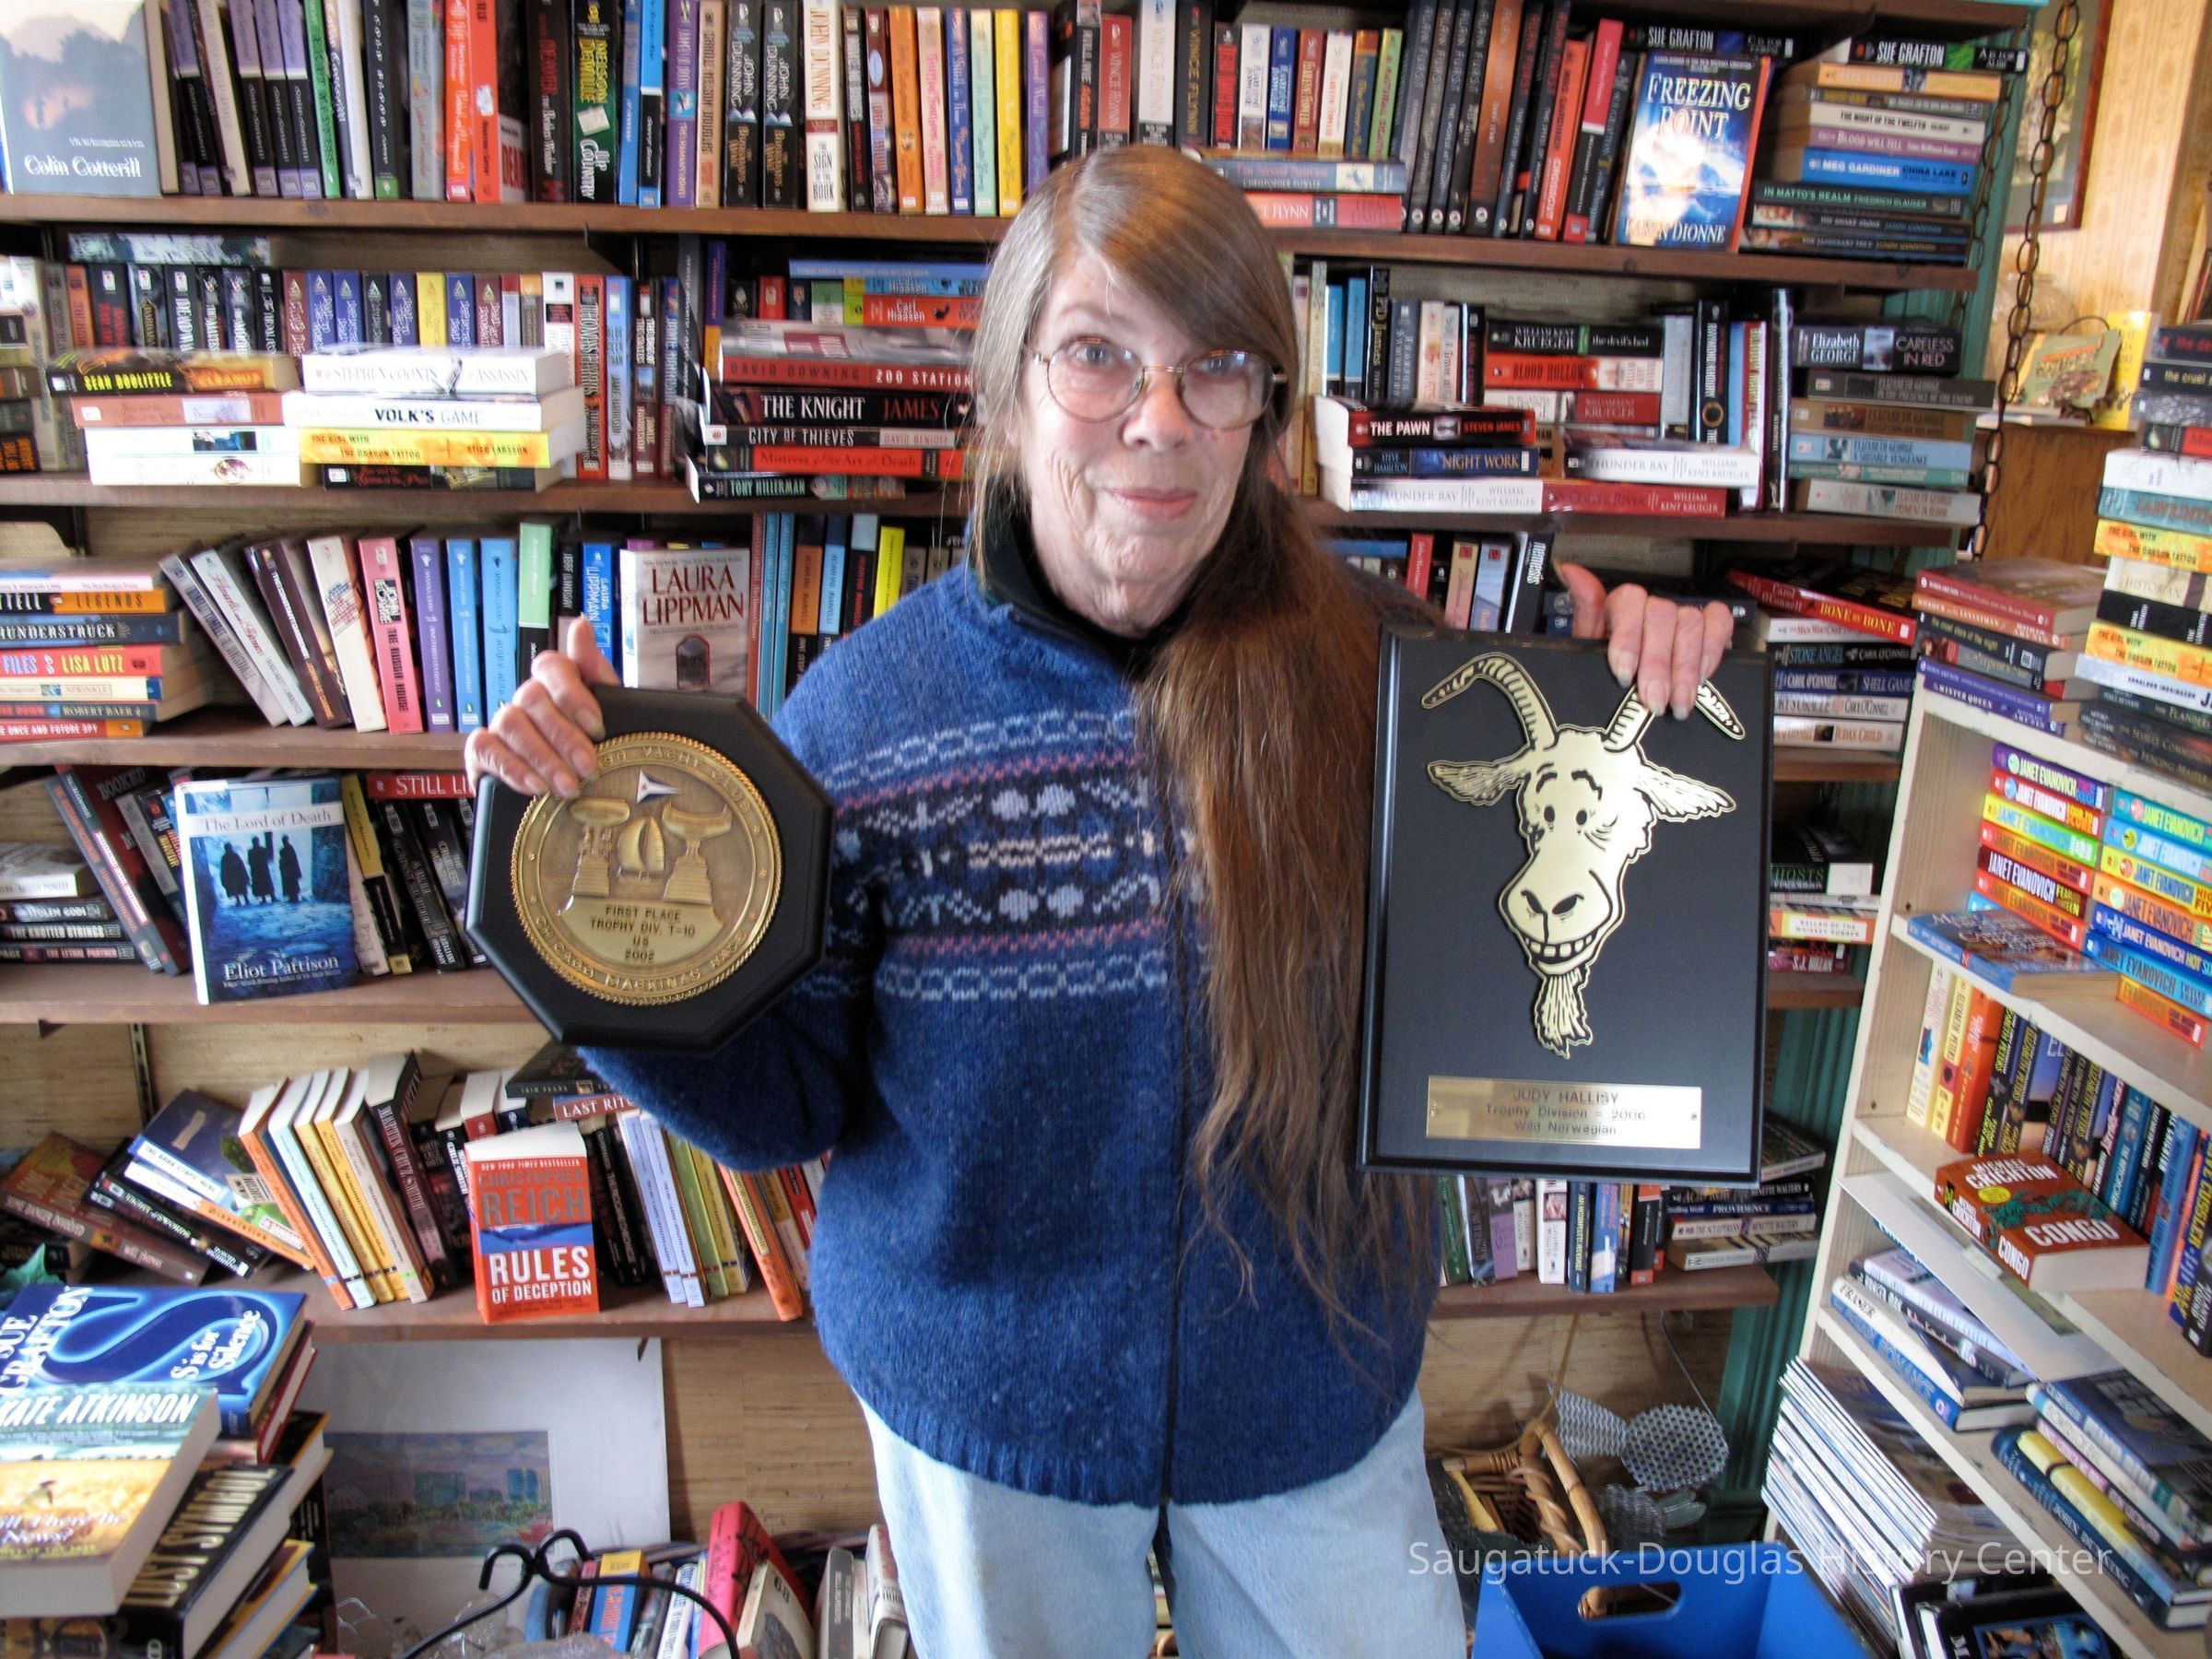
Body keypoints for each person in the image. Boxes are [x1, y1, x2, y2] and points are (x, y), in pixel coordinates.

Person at [466, 147, 1732, 1659]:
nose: (1160, 418)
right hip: (986, 1421)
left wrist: (1645, 691)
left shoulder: (1406, 688)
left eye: (1216, 369)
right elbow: (780, 1104)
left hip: (1315, 1399)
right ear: (1005, 394)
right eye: (1097, 356)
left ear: (1265, 412)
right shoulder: (862, 718)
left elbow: (1557, 969)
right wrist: (581, 918)